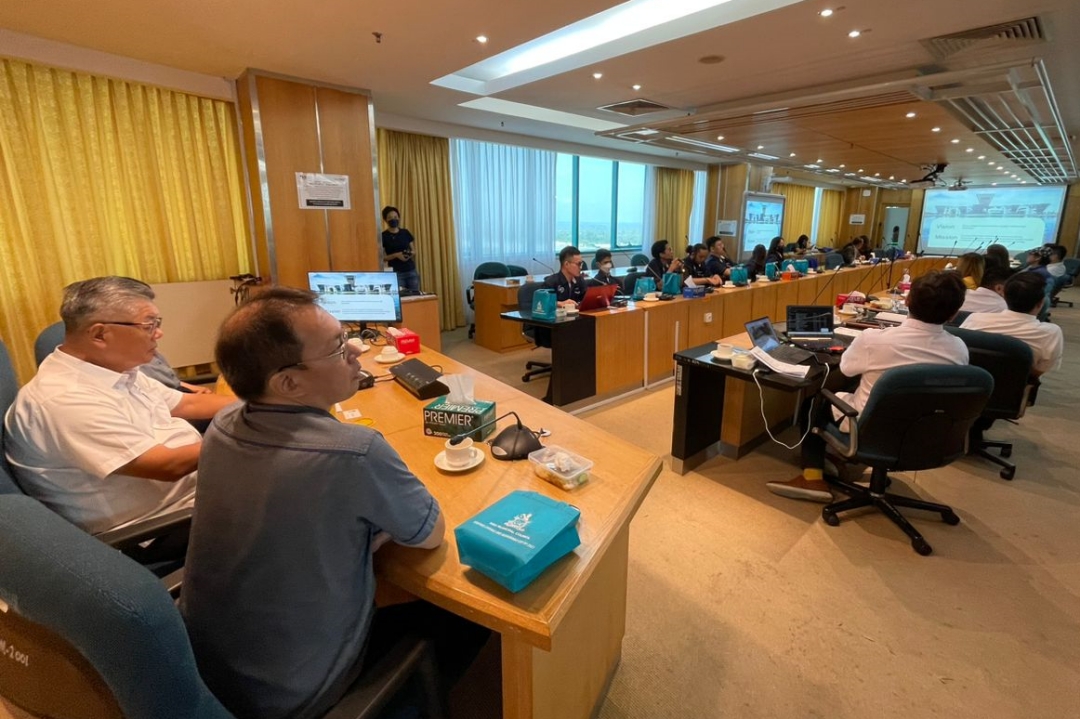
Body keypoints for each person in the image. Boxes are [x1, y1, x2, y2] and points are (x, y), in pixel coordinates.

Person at [180, 287, 478, 719]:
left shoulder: (224, 421)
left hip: (212, 667)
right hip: (296, 689)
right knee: (472, 615)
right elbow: (429, 536)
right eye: (339, 348)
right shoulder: (355, 452)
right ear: (288, 382)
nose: (356, 352)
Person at [4, 276, 233, 534]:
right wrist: (245, 434)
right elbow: (168, 466)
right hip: (160, 524)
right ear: (100, 334)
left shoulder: (114, 370)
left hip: (192, 492)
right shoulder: (65, 399)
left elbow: (188, 404)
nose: (159, 333)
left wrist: (259, 404)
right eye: (149, 324)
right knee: (281, 482)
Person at [766, 270, 969, 502]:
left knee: (815, 401)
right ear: (954, 314)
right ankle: (839, 458)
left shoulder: (874, 340)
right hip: (927, 434)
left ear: (908, 300)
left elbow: (845, 369)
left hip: (870, 430)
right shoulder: (959, 348)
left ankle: (812, 477)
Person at [961, 272, 1064, 377]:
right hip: (1014, 390)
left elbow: (961, 353)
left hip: (973, 385)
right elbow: (1038, 372)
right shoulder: (1050, 333)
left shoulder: (975, 319)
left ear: (1004, 295)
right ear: (1041, 303)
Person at [380, 205, 420, 292]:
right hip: (396, 273)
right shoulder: (383, 236)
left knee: (415, 297)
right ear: (385, 220)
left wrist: (408, 255)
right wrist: (396, 255)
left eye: (395, 217)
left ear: (399, 218)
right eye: (390, 217)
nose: (393, 219)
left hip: (411, 271)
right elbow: (382, 257)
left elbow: (414, 251)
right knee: (401, 299)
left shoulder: (405, 232)